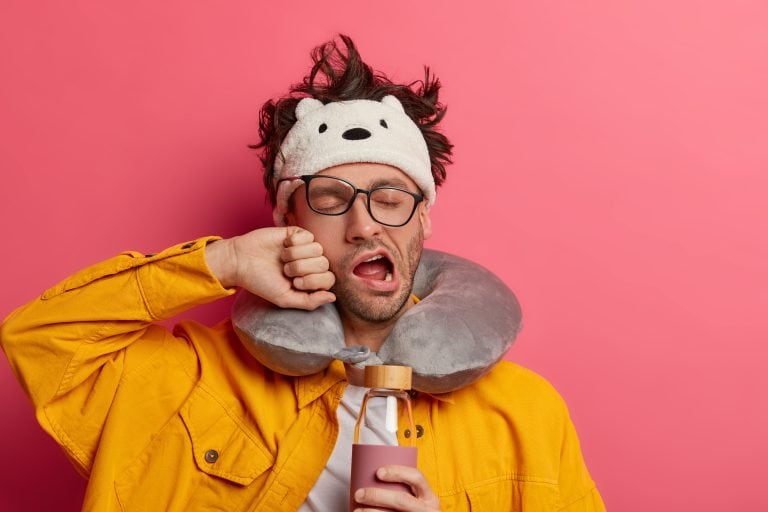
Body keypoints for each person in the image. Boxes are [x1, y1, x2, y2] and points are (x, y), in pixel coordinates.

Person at [0, 35, 605, 511]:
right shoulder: (191, 381)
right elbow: (41, 339)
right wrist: (225, 261)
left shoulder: (527, 414)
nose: (366, 225)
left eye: (391, 196)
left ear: (425, 221)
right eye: (331, 197)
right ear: (286, 218)